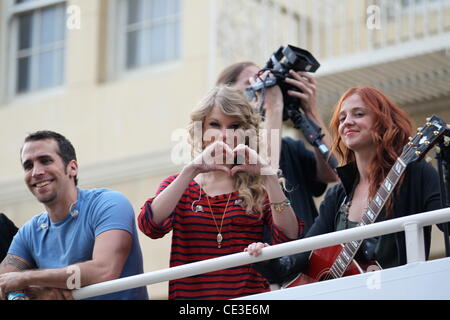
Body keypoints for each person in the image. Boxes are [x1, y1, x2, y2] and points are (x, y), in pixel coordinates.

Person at [246, 86, 443, 285]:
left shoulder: (414, 174)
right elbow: (301, 256)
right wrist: (266, 259)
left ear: (383, 122)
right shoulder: (338, 195)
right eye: (342, 118)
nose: (347, 122)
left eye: (359, 114)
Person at [138, 85, 302, 300]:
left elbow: (290, 238)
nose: (224, 135)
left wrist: (269, 176)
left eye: (234, 126)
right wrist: (191, 170)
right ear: (201, 129)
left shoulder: (259, 184)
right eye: (215, 124)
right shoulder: (180, 183)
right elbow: (149, 226)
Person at [0, 131, 148, 300]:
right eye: (28, 166)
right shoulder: (29, 232)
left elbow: (104, 271)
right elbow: (3, 283)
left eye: (45, 161)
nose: (36, 172)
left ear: (72, 168)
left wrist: (27, 278)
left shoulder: (108, 203)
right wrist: (41, 291)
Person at [216, 62, 338, 234]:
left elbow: (333, 172)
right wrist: (273, 107)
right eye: (251, 83)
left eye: (262, 80)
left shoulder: (289, 147)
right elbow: (266, 169)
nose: (261, 88)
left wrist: (310, 111)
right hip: (263, 255)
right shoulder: (227, 152)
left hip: (310, 255)